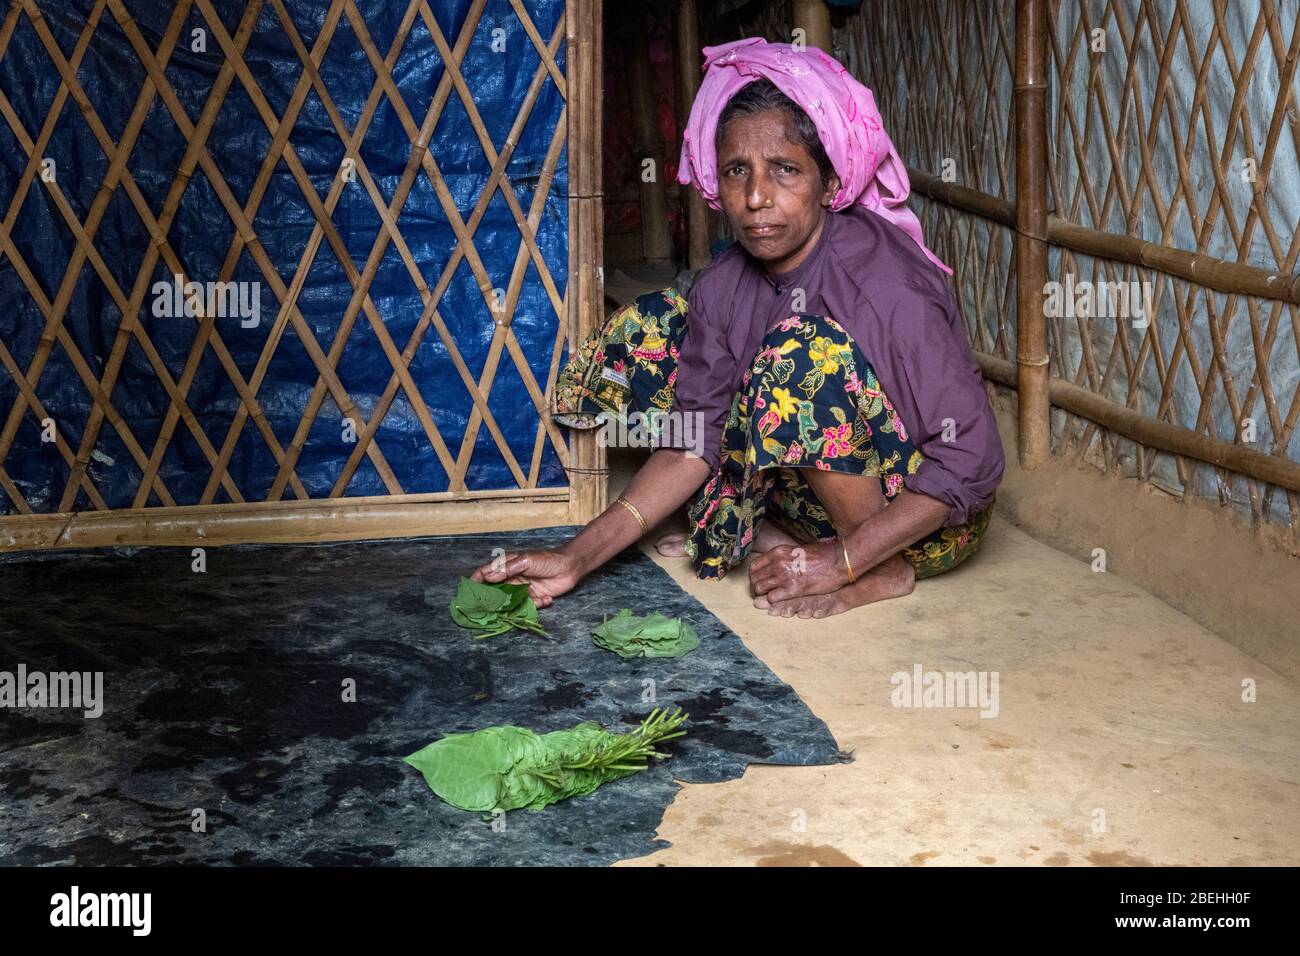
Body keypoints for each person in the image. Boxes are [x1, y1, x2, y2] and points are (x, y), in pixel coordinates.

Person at [472, 37, 1004, 619]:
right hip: (817, 493)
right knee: (657, 327)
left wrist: (843, 562)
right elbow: (695, 441)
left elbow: (970, 459)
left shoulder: (883, 283)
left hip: (927, 521)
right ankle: (784, 532)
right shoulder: (726, 282)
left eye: (784, 171)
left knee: (800, 353)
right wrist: (576, 556)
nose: (756, 197)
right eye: (736, 172)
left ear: (829, 186)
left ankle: (879, 570)